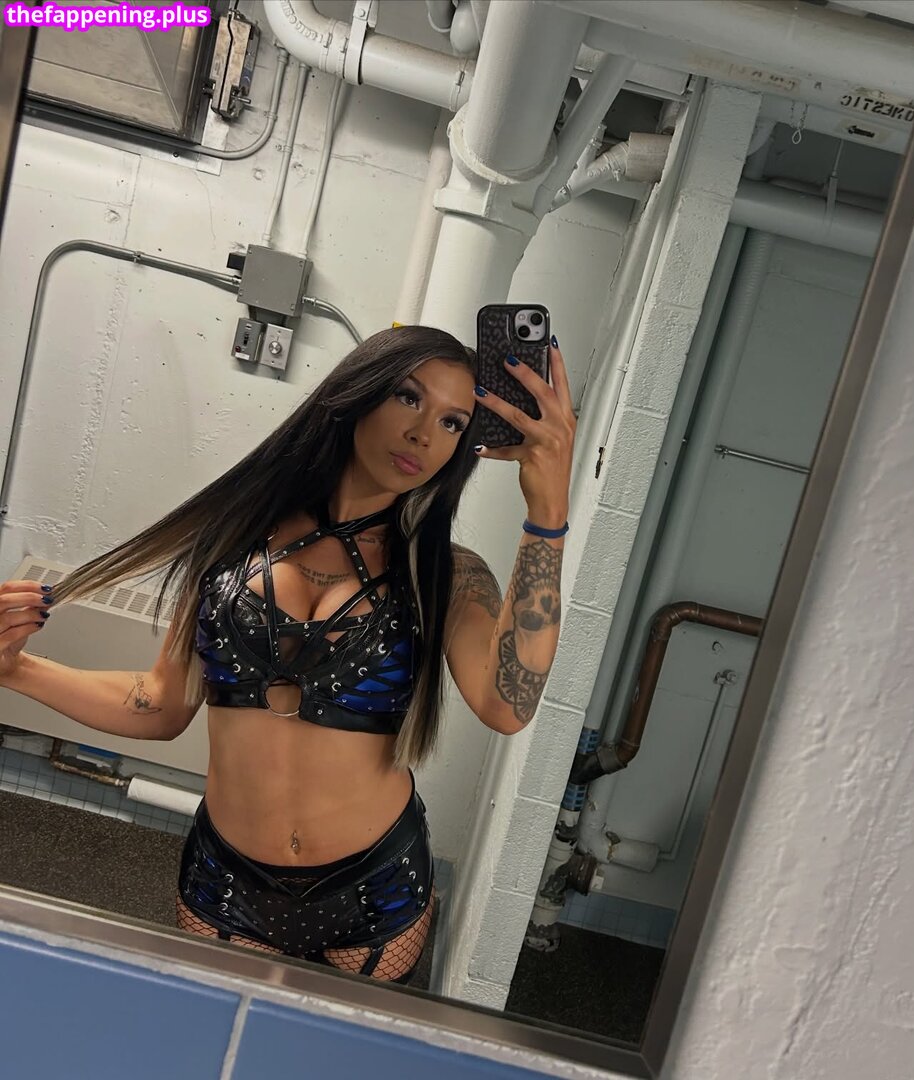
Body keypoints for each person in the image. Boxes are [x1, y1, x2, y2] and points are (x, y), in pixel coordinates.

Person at [0, 325, 576, 983]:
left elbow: (507, 704)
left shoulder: (444, 573)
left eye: (452, 422)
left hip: (374, 888)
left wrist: (548, 511)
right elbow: (160, 705)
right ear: (358, 393)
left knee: (340, 1042)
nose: (424, 434)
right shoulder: (230, 539)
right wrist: (16, 670)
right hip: (228, 880)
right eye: (408, 397)